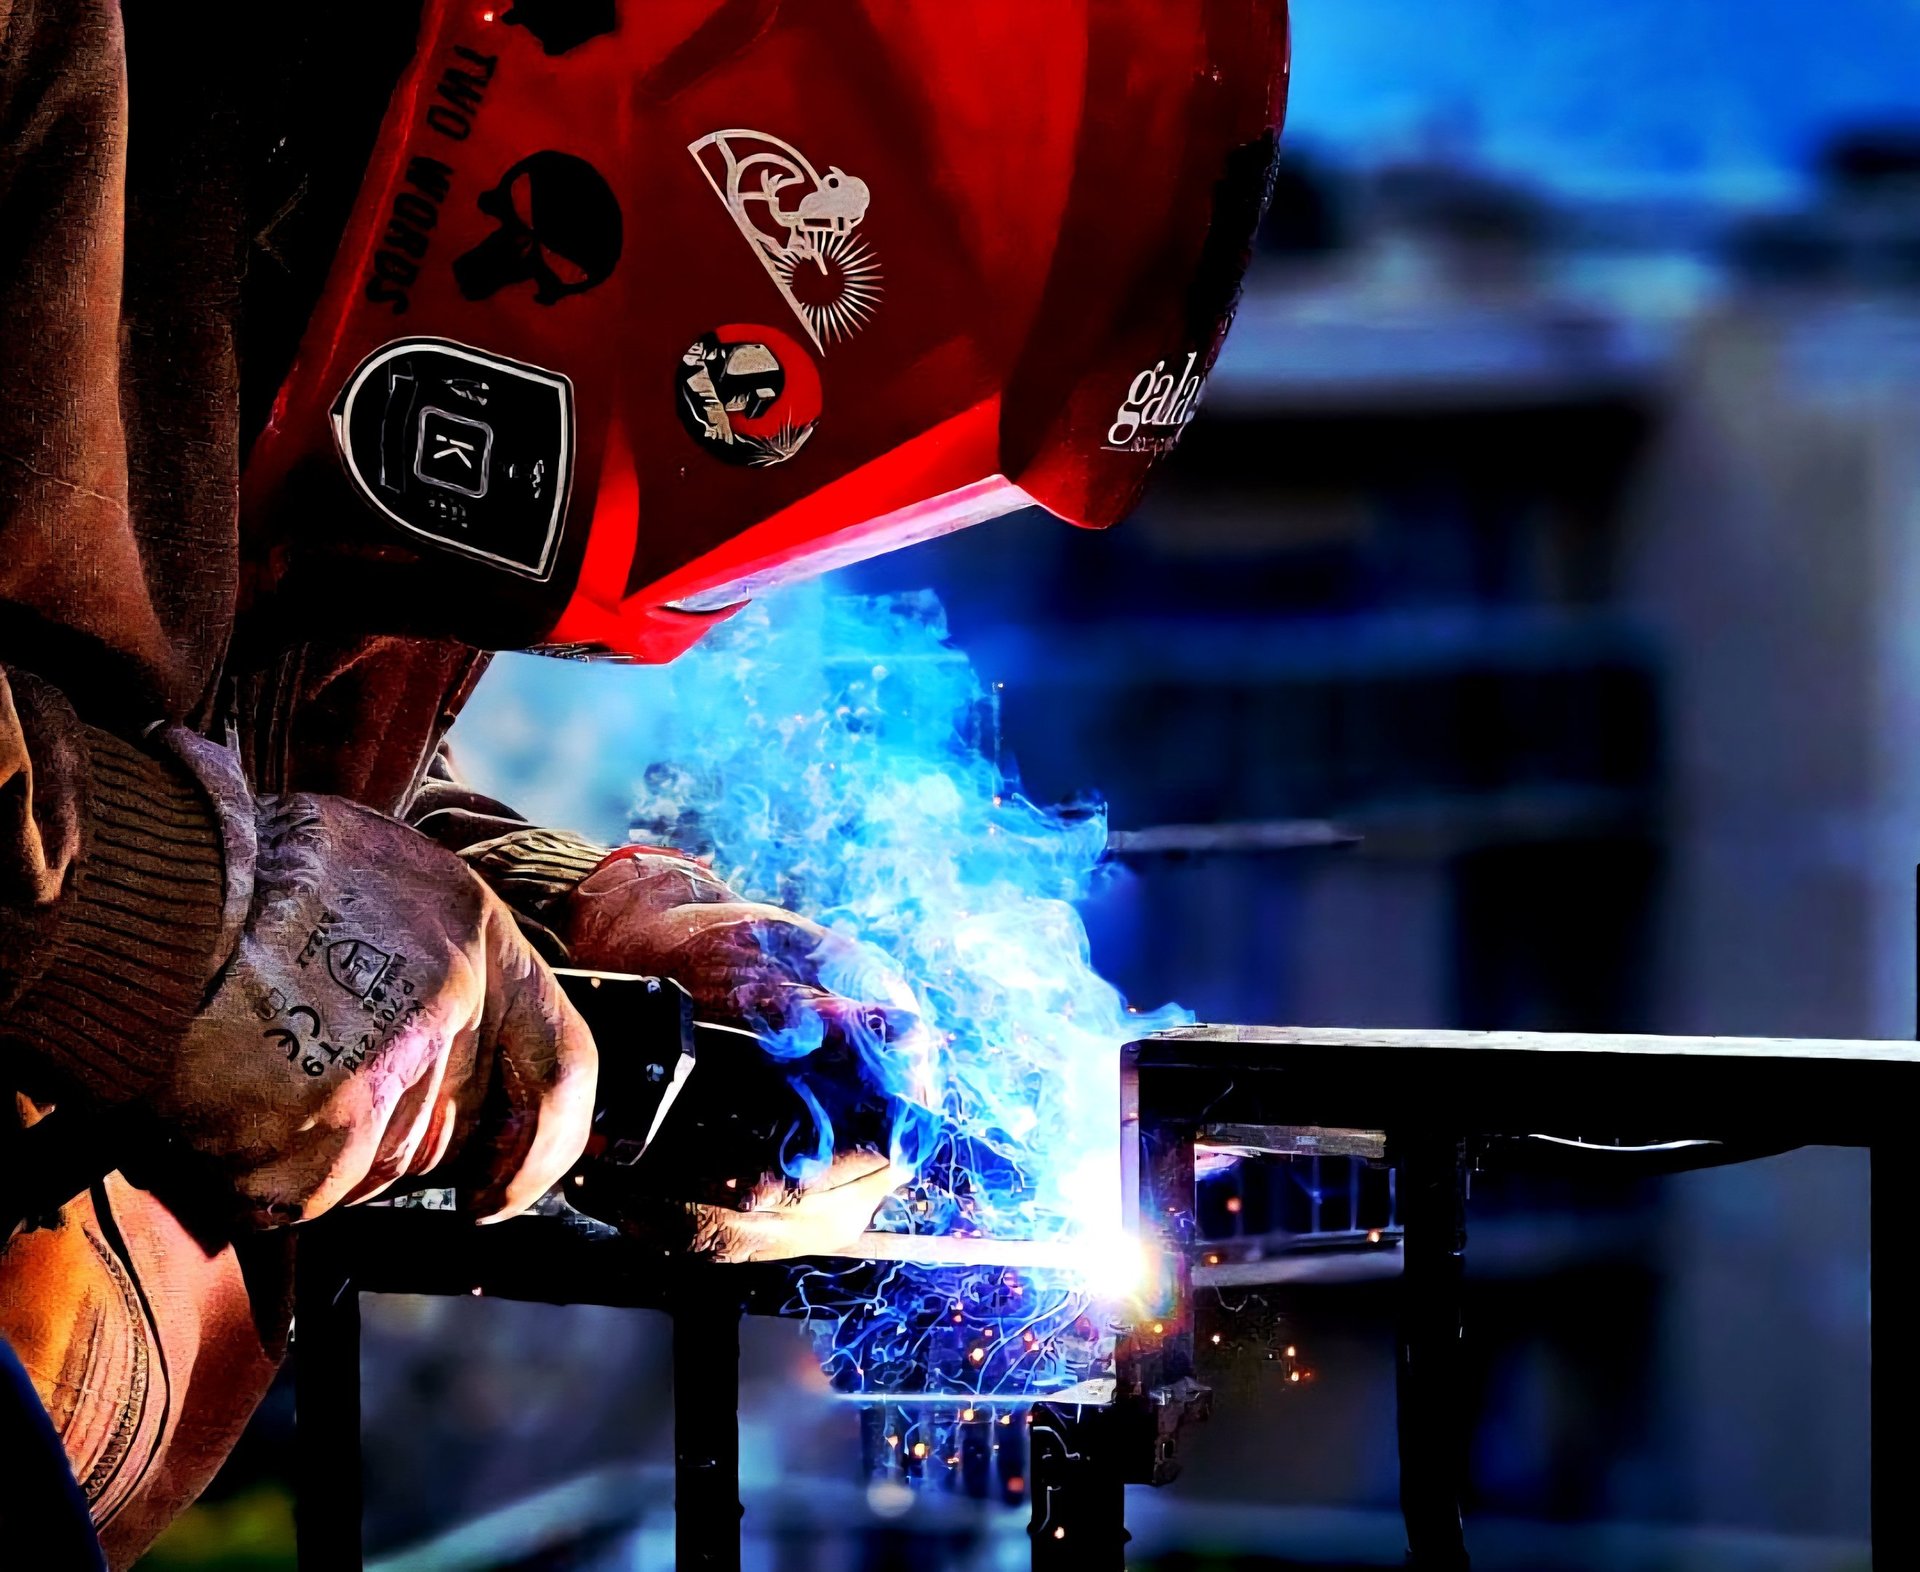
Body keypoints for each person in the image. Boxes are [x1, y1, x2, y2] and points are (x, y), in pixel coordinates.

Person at [0, 0, 1289, 1561]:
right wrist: (180, 922)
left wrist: (587, 931)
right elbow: (161, 847)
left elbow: (221, 764)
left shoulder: (329, 200)